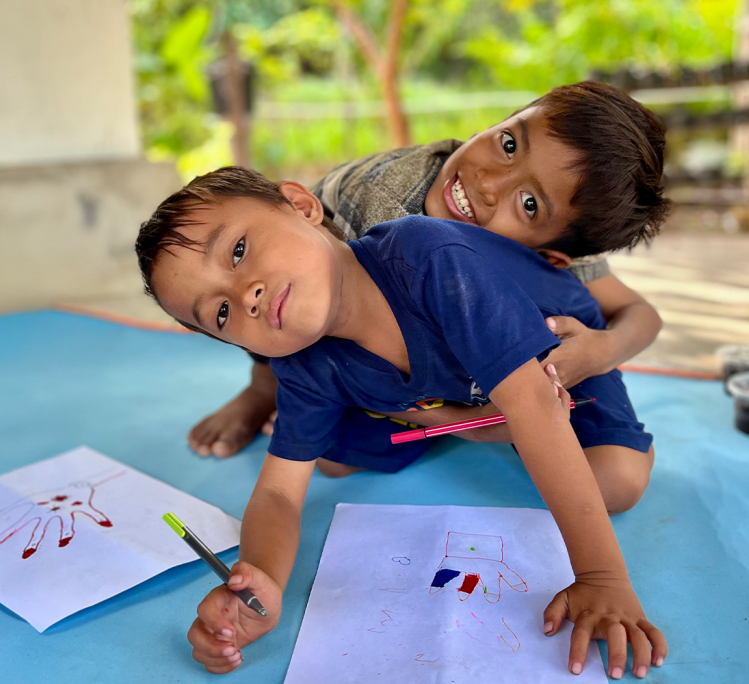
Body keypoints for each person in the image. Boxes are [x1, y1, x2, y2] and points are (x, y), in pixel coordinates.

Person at [135, 167, 668, 679]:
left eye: (239, 250)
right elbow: (278, 494)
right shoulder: (299, 361)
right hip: (444, 389)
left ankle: (470, 423)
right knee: (332, 461)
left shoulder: (426, 256)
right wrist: (263, 582)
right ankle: (461, 424)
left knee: (616, 484)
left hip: (558, 358)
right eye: (221, 314)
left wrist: (601, 577)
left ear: (301, 206)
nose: (245, 295)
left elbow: (535, 405)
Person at [187, 81, 669, 462]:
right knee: (330, 447)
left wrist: (600, 351)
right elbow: (299, 310)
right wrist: (477, 412)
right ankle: (263, 387)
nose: (487, 182)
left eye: (527, 203)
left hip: (439, 308)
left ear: (553, 253)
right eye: (507, 144)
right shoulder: (385, 221)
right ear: (503, 121)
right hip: (310, 289)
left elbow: (638, 312)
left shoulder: (562, 224)